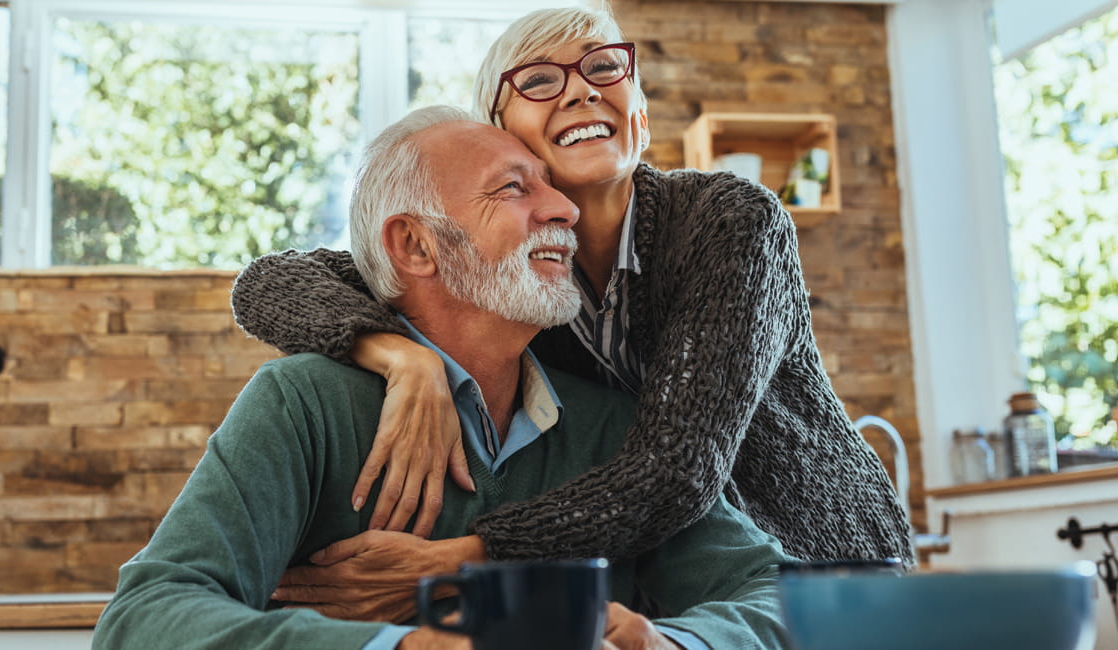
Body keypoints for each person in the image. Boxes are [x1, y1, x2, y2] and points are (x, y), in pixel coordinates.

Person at [230, 4, 912, 601]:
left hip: (822, 565)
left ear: (638, 115)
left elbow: (675, 471)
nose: (582, 91)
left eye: (604, 70)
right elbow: (269, 282)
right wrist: (403, 358)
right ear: (498, 131)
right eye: (539, 80)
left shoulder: (731, 223)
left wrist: (461, 563)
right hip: (671, 582)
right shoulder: (513, 277)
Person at [93, 106, 793, 650]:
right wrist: (406, 646)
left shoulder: (611, 426)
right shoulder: (304, 404)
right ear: (416, 245)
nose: (564, 209)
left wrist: (674, 639)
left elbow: (772, 593)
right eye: (514, 189)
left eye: (550, 187)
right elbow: (145, 618)